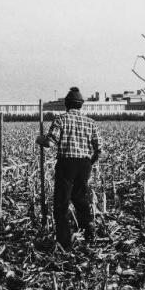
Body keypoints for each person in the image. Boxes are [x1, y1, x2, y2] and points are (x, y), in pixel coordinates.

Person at [36, 87, 102, 249]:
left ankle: (64, 242)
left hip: (67, 164)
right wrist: (89, 162)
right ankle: (89, 228)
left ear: (67, 104)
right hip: (84, 164)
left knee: (61, 202)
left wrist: (40, 139)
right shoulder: (91, 122)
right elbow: (99, 148)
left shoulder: (61, 120)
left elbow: (50, 143)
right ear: (81, 105)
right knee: (80, 198)